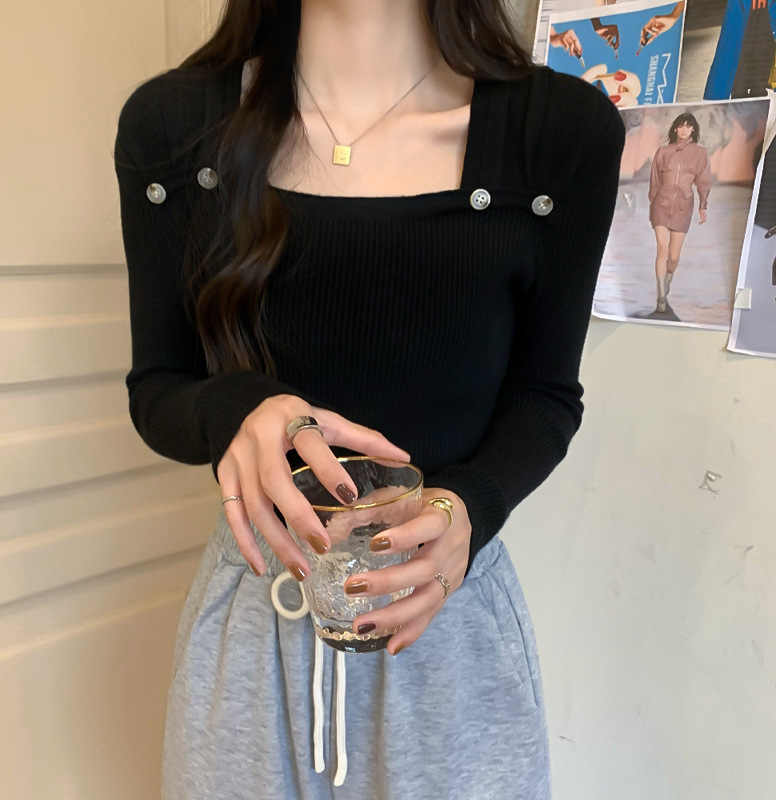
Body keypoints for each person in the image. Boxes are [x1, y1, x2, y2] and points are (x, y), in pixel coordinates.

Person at [114, 0, 624, 796]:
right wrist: (239, 407)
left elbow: (546, 393)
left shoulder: (559, 134)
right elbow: (159, 389)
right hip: (256, 625)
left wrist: (470, 505)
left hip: (446, 620)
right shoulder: (174, 128)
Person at [648, 112, 711, 313]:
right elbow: (655, 180)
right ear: (675, 128)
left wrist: (703, 205)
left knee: (673, 257)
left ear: (693, 129)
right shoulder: (663, 152)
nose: (684, 130)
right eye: (681, 126)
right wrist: (653, 203)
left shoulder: (700, 153)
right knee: (662, 248)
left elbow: (703, 181)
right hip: (661, 203)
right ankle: (660, 296)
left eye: (688, 126)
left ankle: (667, 281)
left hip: (683, 206)